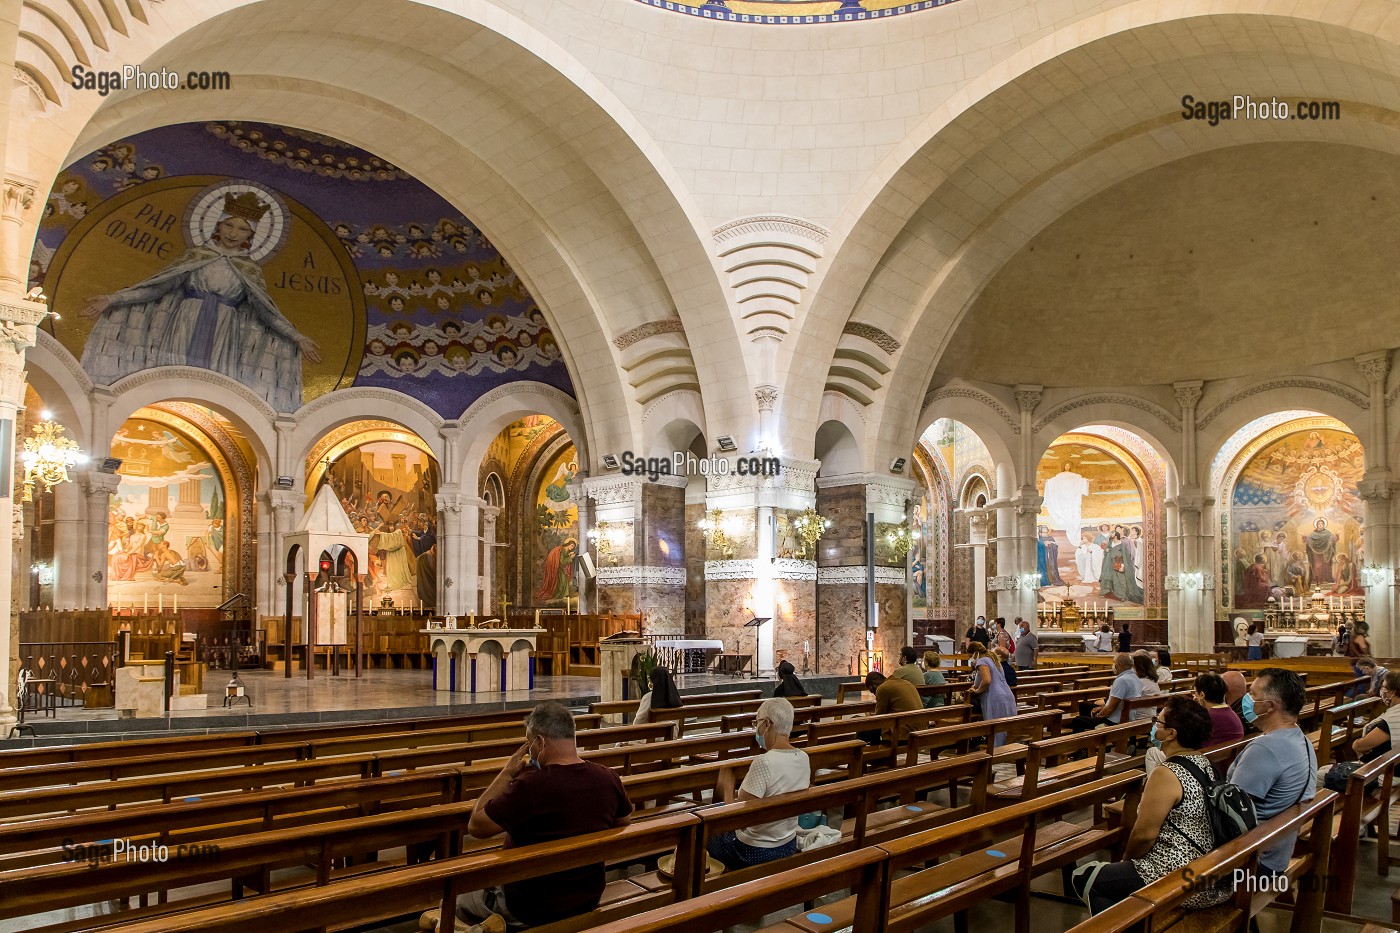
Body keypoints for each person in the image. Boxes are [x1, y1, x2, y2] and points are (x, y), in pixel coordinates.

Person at [447, 702, 632, 932]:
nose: (529, 751)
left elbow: (476, 825)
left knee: (454, 900)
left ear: (540, 742)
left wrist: (506, 773)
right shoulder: (608, 778)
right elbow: (623, 823)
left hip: (529, 907)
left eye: (529, 743)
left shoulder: (531, 786)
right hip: (587, 897)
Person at [1072, 696, 1228, 913]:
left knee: (1086, 879)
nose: (1155, 726)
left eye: (1159, 721)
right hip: (1210, 871)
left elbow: (1144, 835)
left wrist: (1126, 860)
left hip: (1180, 877)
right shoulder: (1207, 763)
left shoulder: (1167, 773)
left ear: (1171, 734)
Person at [1227, 669, 1317, 875]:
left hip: (1252, 861)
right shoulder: (1300, 738)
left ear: (1270, 706)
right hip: (1277, 849)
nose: (1247, 700)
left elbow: (1230, 810)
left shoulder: (1265, 749)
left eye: (1253, 695)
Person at [707, 698, 810, 869]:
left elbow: (738, 816)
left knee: (702, 832)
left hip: (753, 851)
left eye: (757, 722)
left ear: (768, 724)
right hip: (788, 844)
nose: (756, 728)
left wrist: (726, 788)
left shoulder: (765, 762)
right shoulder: (803, 757)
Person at [1319, 670, 1400, 789]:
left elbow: (1360, 746)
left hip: (1382, 774)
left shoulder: (1393, 719)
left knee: (1318, 777)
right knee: (1324, 768)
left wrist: (1360, 744)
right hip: (1384, 767)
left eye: (1383, 687)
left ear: (1392, 693)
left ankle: (1320, 806)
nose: (1381, 691)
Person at [1072, 654, 1140, 731]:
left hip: (1115, 722)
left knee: (1077, 720)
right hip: (1128, 716)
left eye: (1114, 662)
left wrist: (1098, 716)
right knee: (1084, 706)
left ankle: (1085, 741)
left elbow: (1110, 708)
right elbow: (1116, 704)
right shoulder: (1135, 678)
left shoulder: (1122, 680)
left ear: (1119, 664)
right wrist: (1102, 708)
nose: (1113, 665)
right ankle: (1092, 735)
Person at [967, 642, 1017, 744]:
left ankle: (996, 752)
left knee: (995, 727)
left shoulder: (981, 661)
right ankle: (1008, 750)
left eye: (970, 655)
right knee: (1005, 727)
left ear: (975, 653)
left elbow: (987, 680)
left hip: (994, 696)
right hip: (1006, 694)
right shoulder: (993, 660)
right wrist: (975, 686)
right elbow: (978, 680)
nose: (971, 658)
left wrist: (977, 691)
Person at [856, 671, 922, 745]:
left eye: (873, 691)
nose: (875, 694)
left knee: (862, 729)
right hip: (920, 730)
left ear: (874, 684)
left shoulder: (883, 688)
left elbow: (879, 718)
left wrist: (867, 716)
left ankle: (872, 754)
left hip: (904, 734)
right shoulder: (906, 682)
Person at [1193, 672, 1245, 748]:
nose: (1194, 697)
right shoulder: (1231, 712)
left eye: (1195, 693)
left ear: (1202, 695)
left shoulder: (1208, 716)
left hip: (1211, 757)